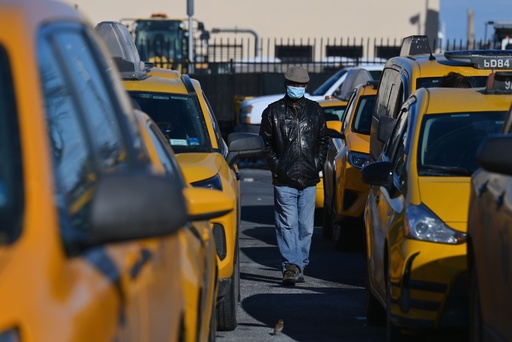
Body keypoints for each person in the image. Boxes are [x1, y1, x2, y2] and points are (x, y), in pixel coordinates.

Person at [259, 66, 329, 286]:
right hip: (284, 179)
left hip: (309, 179)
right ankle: (291, 266)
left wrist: (316, 164)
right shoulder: (273, 112)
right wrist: (278, 167)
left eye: (300, 85)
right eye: (293, 84)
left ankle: (299, 265)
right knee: (287, 225)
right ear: (286, 85)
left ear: (306, 87)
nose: (297, 88)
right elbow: (266, 144)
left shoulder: (316, 111)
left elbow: (323, 140)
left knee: (306, 228)